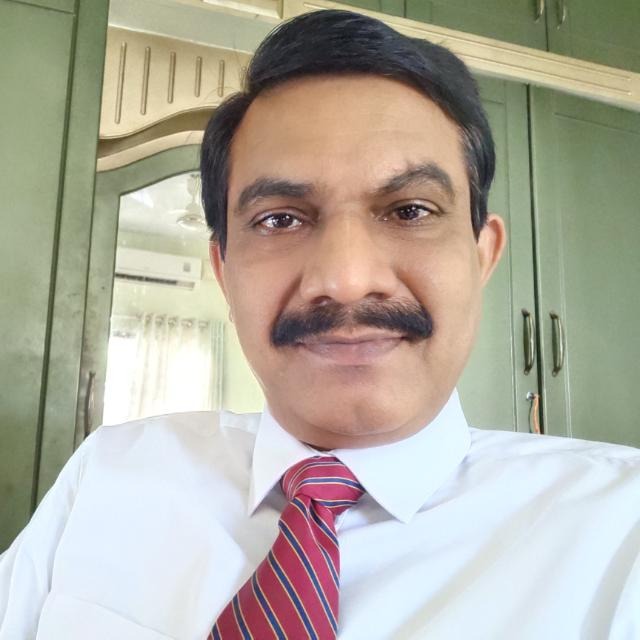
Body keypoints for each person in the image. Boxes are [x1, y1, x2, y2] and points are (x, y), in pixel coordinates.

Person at [1, 9, 639, 640]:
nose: (346, 279)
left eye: (410, 210)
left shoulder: (620, 533)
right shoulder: (108, 475)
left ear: (481, 257)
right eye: (279, 219)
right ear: (224, 271)